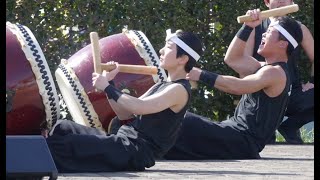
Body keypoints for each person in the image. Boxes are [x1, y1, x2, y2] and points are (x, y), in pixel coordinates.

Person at [45, 29, 203, 172]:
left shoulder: (179, 90)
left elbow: (139, 107)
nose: (161, 50)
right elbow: (125, 114)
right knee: (63, 127)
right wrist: (110, 84)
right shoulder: (163, 85)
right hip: (122, 142)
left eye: (168, 47)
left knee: (61, 146)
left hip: (133, 151)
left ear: (182, 59)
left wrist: (107, 87)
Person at [163, 14, 303, 160]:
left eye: (269, 32)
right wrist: (247, 27)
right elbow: (232, 59)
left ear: (283, 43)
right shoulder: (264, 67)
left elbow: (238, 86)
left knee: (184, 122)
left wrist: (201, 75)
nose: (263, 34)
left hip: (242, 141)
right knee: (178, 121)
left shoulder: (275, 73)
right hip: (234, 135)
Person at [247, 0, 314, 144]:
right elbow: (241, 61)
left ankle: (290, 126)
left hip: (292, 93)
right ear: (267, 2)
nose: (282, 1)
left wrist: (312, 82)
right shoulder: (255, 27)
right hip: (264, 94)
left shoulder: (298, 28)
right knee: (265, 142)